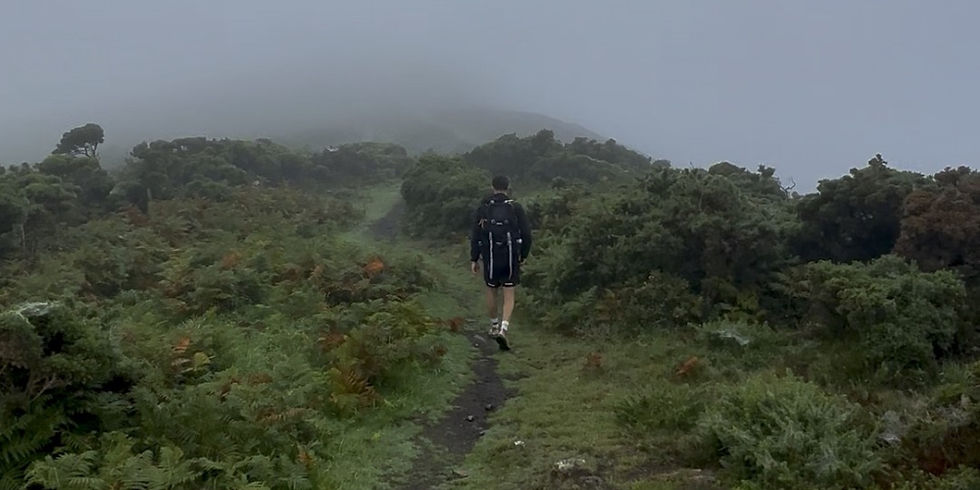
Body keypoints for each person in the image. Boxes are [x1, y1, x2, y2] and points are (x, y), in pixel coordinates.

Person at [470, 175, 532, 350]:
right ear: (508, 187)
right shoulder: (515, 207)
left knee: (491, 290)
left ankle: (493, 325)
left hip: (489, 256)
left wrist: (474, 258)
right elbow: (527, 234)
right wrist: (523, 255)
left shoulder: (483, 208)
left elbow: (475, 234)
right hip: (510, 256)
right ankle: (504, 329)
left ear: (492, 187)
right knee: (509, 293)